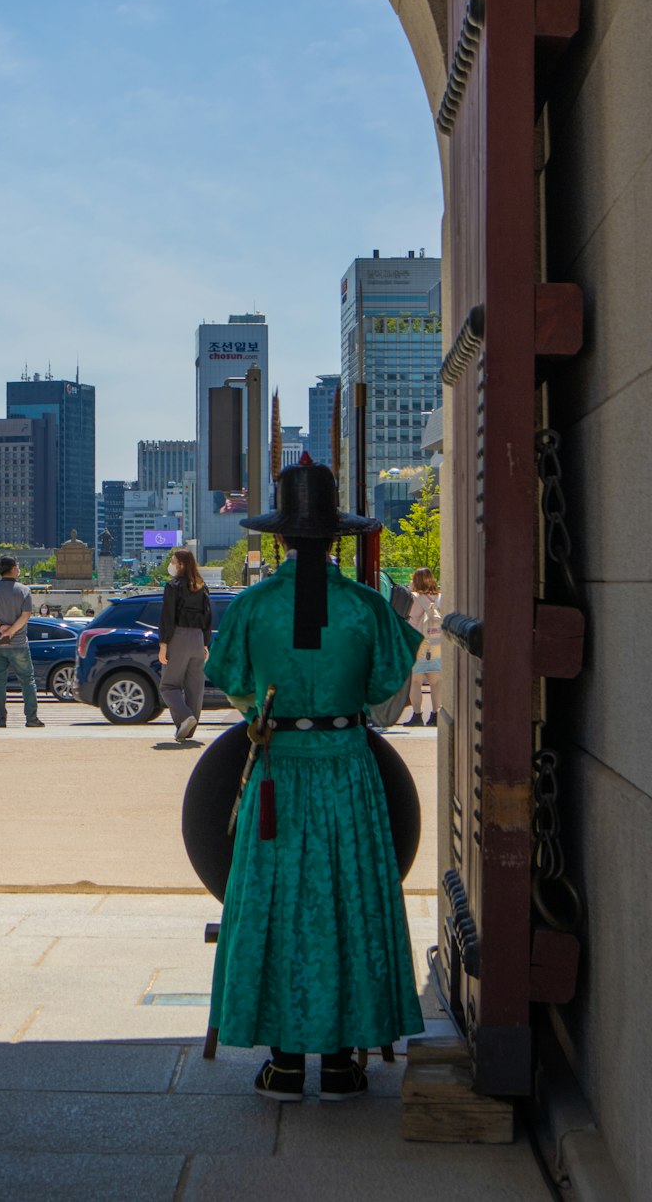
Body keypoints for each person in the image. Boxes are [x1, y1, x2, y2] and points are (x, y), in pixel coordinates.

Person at [204, 456, 425, 1101]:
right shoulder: (365, 606)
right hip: (346, 767)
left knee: (276, 902)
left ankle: (284, 1061)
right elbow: (387, 686)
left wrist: (269, 706)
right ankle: (339, 1059)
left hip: (277, 770)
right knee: (346, 899)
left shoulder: (249, 606)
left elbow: (236, 684)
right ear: (336, 540)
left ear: (277, 538)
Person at [0, 555, 43, 728]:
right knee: (27, 680)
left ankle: (1, 719)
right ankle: (31, 718)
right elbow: (26, 615)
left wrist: (0, 628)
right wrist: (12, 631)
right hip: (19, 642)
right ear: (13, 569)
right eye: (18, 567)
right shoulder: (23, 590)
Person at [158, 547, 212, 742]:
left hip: (178, 636)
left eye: (173, 561)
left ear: (180, 564)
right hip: (198, 638)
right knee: (195, 687)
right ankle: (188, 730)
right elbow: (208, 616)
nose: (171, 565)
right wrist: (206, 643)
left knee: (168, 686)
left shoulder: (173, 586)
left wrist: (163, 643)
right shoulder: (201, 586)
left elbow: (168, 616)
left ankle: (184, 718)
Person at [407, 567, 442, 726]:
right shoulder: (440, 597)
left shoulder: (415, 598)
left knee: (416, 682)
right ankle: (435, 716)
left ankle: (417, 716)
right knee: (435, 683)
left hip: (419, 645)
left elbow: (412, 622)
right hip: (436, 644)